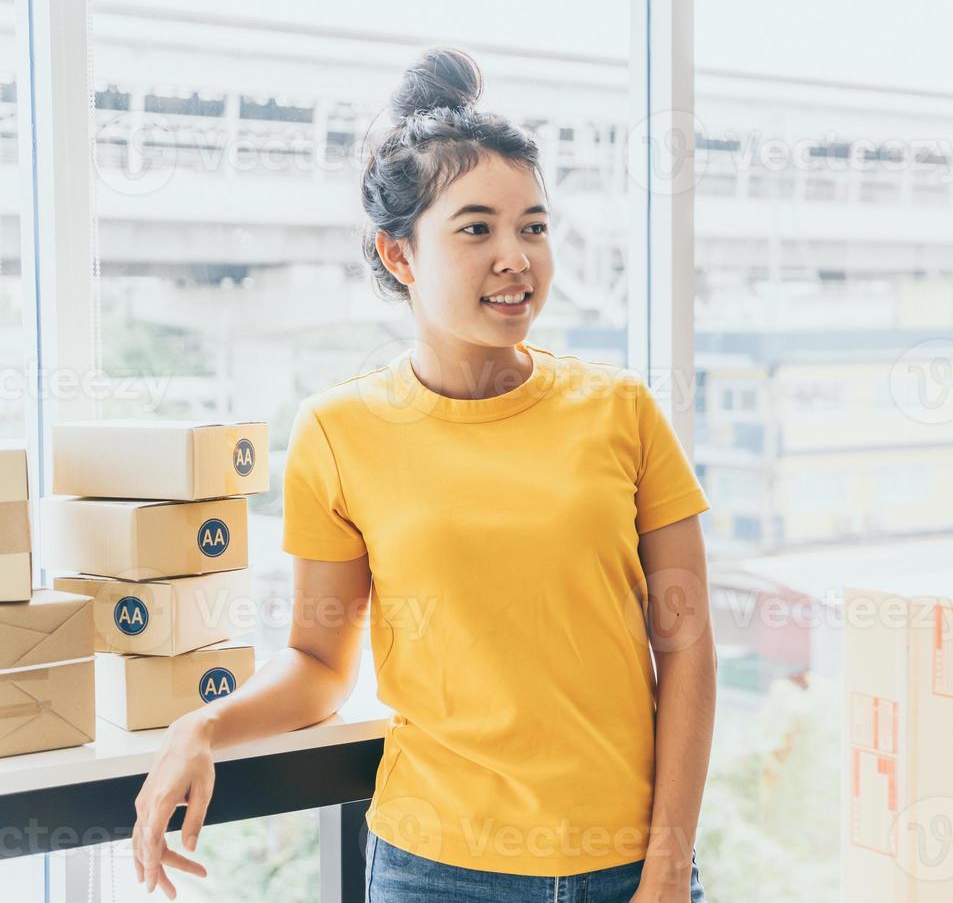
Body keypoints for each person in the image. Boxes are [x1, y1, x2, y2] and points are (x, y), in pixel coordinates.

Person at [129, 46, 716, 903]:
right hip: (436, 870)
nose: (516, 256)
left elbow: (689, 648)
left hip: (628, 868)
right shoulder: (338, 429)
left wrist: (666, 866)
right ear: (399, 256)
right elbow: (319, 661)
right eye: (476, 228)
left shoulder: (622, 411)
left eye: (535, 226)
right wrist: (203, 726)